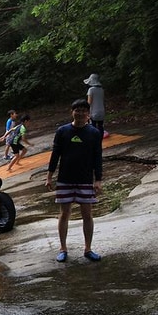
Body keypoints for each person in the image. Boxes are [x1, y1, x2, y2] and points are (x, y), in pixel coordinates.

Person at [45, 99, 103, 262]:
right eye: (77, 110)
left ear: (88, 114)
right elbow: (55, 154)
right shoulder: (63, 131)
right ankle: (63, 248)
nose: (80, 113)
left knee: (87, 214)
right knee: (64, 214)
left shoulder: (93, 133)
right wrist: (50, 175)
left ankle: (88, 249)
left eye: (84, 110)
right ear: (72, 112)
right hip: (65, 179)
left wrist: (98, 179)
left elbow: (97, 157)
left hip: (85, 179)